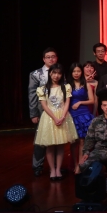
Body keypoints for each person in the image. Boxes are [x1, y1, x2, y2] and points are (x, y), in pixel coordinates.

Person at [34, 64, 78, 181]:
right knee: (50, 145)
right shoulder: (43, 89)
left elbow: (67, 103)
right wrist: (54, 117)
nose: (56, 75)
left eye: (59, 73)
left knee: (60, 145)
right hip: (49, 117)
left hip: (63, 116)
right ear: (50, 73)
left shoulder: (66, 87)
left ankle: (58, 169)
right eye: (54, 73)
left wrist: (62, 116)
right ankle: (52, 170)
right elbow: (44, 106)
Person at [28, 47, 58, 176]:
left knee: (57, 139)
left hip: (57, 111)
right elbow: (32, 95)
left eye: (53, 56)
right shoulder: (35, 74)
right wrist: (33, 113)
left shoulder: (60, 72)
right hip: (41, 111)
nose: (51, 59)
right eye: (48, 57)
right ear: (44, 59)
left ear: (56, 58)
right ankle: (37, 166)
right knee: (40, 139)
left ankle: (55, 166)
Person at [68, 63, 95, 174]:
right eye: (74, 71)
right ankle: (75, 164)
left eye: (78, 71)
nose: (76, 73)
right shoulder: (68, 85)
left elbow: (92, 100)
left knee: (82, 141)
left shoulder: (86, 84)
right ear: (71, 73)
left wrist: (80, 102)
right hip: (72, 115)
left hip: (84, 114)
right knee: (73, 142)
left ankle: (80, 165)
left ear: (81, 72)